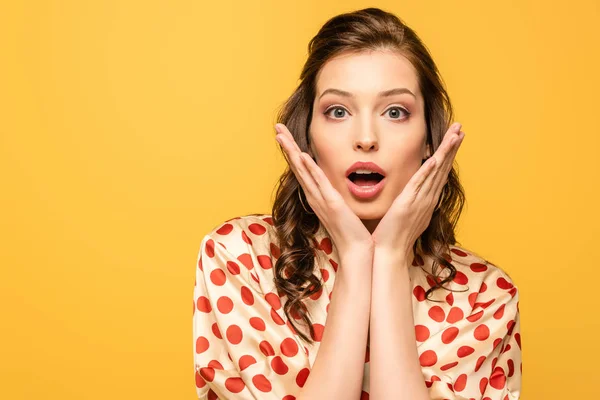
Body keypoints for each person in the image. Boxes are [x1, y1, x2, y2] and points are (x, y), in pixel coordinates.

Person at [192, 7, 522, 400]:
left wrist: (390, 258)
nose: (366, 138)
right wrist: (353, 256)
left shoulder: (486, 297)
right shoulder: (239, 258)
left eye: (395, 112)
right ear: (308, 139)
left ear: (430, 142)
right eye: (338, 111)